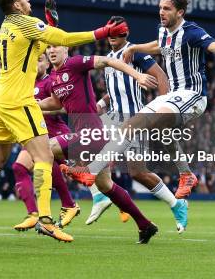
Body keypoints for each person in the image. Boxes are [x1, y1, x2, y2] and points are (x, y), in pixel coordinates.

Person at [65, 0, 215, 233]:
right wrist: (137, 47)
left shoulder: (192, 33)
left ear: (180, 12)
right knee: (138, 128)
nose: (161, 12)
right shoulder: (163, 32)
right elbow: (159, 45)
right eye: (160, 7)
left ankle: (91, 172)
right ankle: (184, 176)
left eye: (167, 9)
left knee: (140, 126)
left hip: (193, 96)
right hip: (173, 97)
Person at [0, 0, 127, 246]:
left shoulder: (7, 25)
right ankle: (45, 221)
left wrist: (48, 25)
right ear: (16, 4)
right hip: (19, 100)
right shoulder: (24, 22)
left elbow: (42, 40)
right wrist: (103, 32)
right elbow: (65, 40)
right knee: (44, 155)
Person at [38, 43, 160, 244]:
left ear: (66, 50)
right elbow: (56, 104)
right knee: (105, 185)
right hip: (86, 136)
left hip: (93, 133)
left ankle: (69, 200)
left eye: (56, 47)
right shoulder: (53, 79)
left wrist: (137, 75)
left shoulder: (75, 64)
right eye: (49, 47)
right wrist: (34, 106)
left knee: (46, 148)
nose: (51, 51)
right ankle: (145, 225)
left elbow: (109, 60)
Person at [87, 16, 191, 231]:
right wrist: (102, 101)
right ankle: (103, 198)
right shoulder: (108, 57)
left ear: (125, 34)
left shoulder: (135, 53)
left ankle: (176, 203)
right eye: (111, 34)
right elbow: (116, 87)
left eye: (118, 34)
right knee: (87, 150)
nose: (113, 38)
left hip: (134, 119)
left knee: (137, 173)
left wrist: (164, 109)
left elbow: (160, 75)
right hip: (112, 118)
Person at [11, 52, 80, 231]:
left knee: (80, 173)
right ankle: (33, 214)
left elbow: (65, 107)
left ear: (48, 65)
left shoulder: (50, 82)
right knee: (19, 167)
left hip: (55, 133)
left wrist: (39, 111)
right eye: (33, 61)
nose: (36, 64)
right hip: (35, 136)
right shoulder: (25, 85)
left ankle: (116, 199)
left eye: (40, 60)